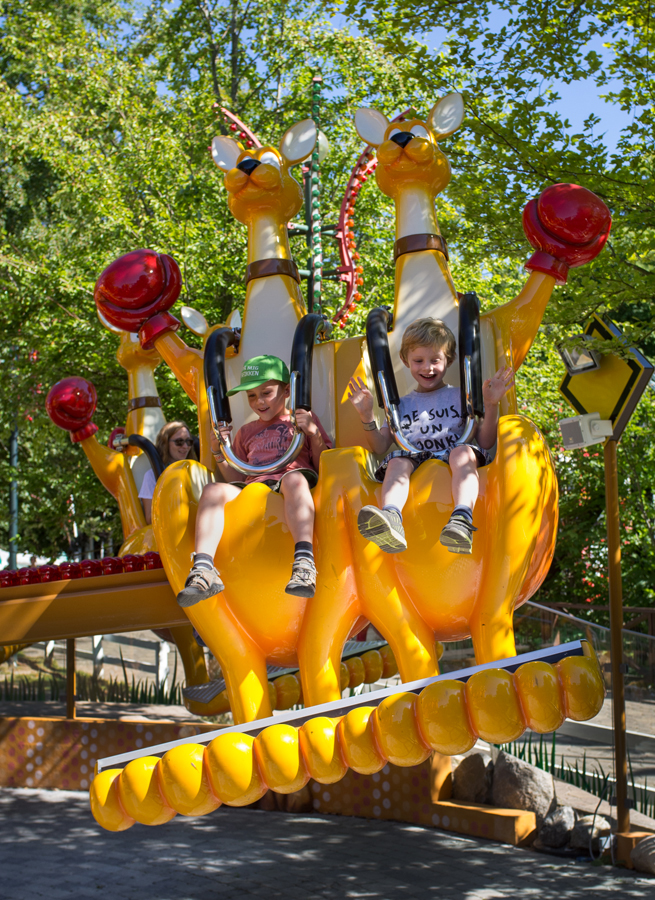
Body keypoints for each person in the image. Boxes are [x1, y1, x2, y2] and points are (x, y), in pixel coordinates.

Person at [348, 317, 514, 555]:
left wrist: (491, 404)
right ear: (405, 360)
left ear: (449, 360)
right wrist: (366, 416)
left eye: (435, 360)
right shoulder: (399, 406)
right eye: (419, 361)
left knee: (462, 452)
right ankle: (392, 516)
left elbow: (486, 441)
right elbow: (380, 446)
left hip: (455, 454)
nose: (427, 368)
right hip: (416, 460)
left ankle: (462, 518)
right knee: (397, 460)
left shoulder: (462, 396)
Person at [176, 355, 331, 606]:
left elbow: (323, 462)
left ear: (287, 391)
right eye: (251, 396)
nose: (259, 401)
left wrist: (313, 433)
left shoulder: (299, 421)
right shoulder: (246, 432)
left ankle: (304, 561)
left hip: (288, 481)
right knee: (212, 490)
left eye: (266, 393)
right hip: (254, 485)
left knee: (294, 479)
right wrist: (218, 451)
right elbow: (237, 475)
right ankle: (203, 568)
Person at [138, 421, 195, 524]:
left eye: (189, 442)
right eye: (179, 442)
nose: (185, 446)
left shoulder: (195, 470)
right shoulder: (152, 475)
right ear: (165, 443)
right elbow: (150, 519)